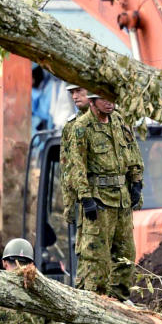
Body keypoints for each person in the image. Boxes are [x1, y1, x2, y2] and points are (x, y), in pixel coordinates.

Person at [70, 94, 143, 299]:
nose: (110, 103)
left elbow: (132, 152)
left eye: (112, 98)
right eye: (104, 99)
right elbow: (77, 166)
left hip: (121, 200)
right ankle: (95, 305)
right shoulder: (82, 127)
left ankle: (117, 302)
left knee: (126, 256)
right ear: (92, 102)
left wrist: (136, 181)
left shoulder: (119, 121)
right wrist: (86, 198)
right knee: (96, 261)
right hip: (99, 201)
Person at [61, 84, 91, 226]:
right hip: (86, 201)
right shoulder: (71, 126)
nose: (74, 96)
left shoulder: (112, 120)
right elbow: (66, 167)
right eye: (72, 92)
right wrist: (69, 204)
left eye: (79, 91)